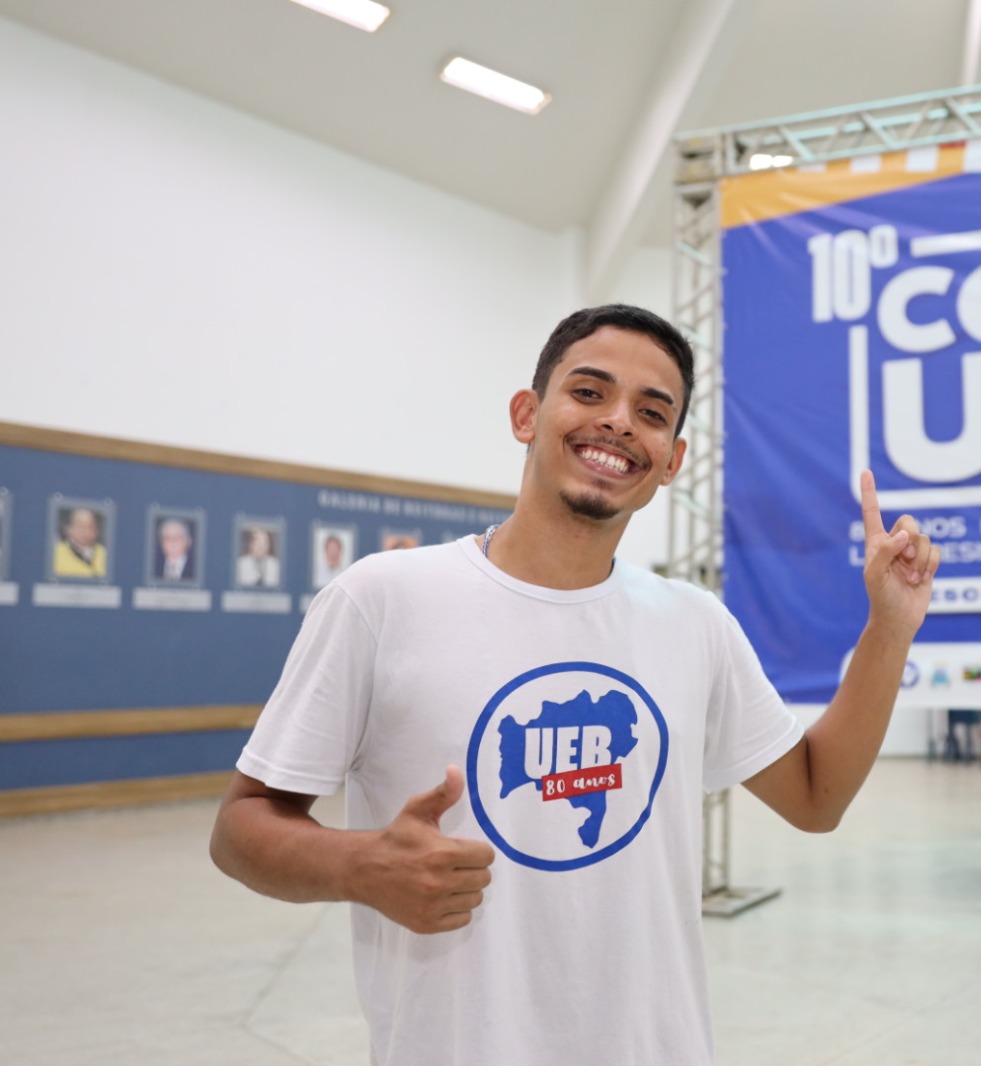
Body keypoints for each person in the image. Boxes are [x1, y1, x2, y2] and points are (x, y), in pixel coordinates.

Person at [209, 304, 940, 1066]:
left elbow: (817, 797)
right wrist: (360, 867)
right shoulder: (381, 599)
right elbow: (241, 828)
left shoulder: (695, 624)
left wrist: (889, 628)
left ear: (672, 460)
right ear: (527, 414)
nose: (619, 422)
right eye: (589, 392)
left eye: (651, 413)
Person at [53, 507, 106, 578]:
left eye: (89, 526)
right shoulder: (56, 553)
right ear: (68, 529)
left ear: (96, 531)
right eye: (80, 526)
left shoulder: (104, 553)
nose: (85, 531)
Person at [152, 517, 197, 582]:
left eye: (177, 537)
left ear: (188, 542)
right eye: (167, 538)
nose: (172, 542)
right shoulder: (154, 567)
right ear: (161, 543)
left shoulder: (195, 569)